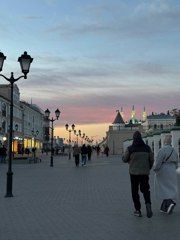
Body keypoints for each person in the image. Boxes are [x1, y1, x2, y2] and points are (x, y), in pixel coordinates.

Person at [123, 131, 154, 218]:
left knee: (135, 191)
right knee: (146, 189)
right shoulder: (147, 148)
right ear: (141, 138)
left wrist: (124, 158)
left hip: (133, 174)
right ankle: (148, 204)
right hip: (144, 173)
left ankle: (138, 210)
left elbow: (125, 159)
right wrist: (148, 168)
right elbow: (152, 160)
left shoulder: (130, 148)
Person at [153, 134, 179, 214]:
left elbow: (158, 162)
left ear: (164, 141)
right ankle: (164, 208)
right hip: (172, 170)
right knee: (170, 187)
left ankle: (170, 203)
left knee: (163, 187)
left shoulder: (162, 150)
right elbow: (176, 163)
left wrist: (155, 169)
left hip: (163, 170)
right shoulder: (174, 150)